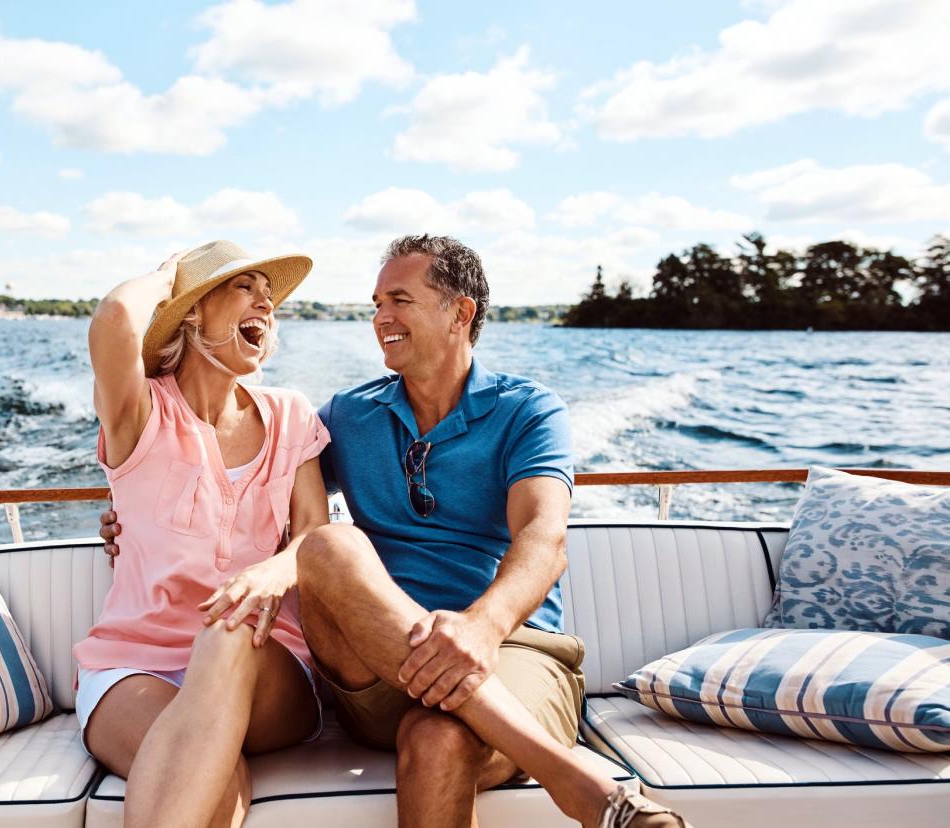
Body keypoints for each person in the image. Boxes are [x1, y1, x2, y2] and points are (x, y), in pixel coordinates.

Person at [101, 235, 688, 827]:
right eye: (376, 303)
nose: (380, 318)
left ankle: (565, 773)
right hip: (376, 669)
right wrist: (133, 516)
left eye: (399, 300)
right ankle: (580, 783)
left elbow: (544, 537)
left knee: (439, 740)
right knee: (331, 542)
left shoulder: (529, 411)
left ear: (460, 312)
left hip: (509, 649)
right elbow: (254, 489)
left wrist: (480, 628)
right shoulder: (346, 416)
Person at [76, 239, 332, 828]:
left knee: (231, 633)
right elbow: (116, 319)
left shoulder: (292, 414)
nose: (266, 307)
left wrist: (275, 569)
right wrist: (170, 275)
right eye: (246, 288)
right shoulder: (140, 413)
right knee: (216, 783)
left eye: (271, 299)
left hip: (269, 660)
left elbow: (314, 533)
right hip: (135, 664)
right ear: (192, 312)